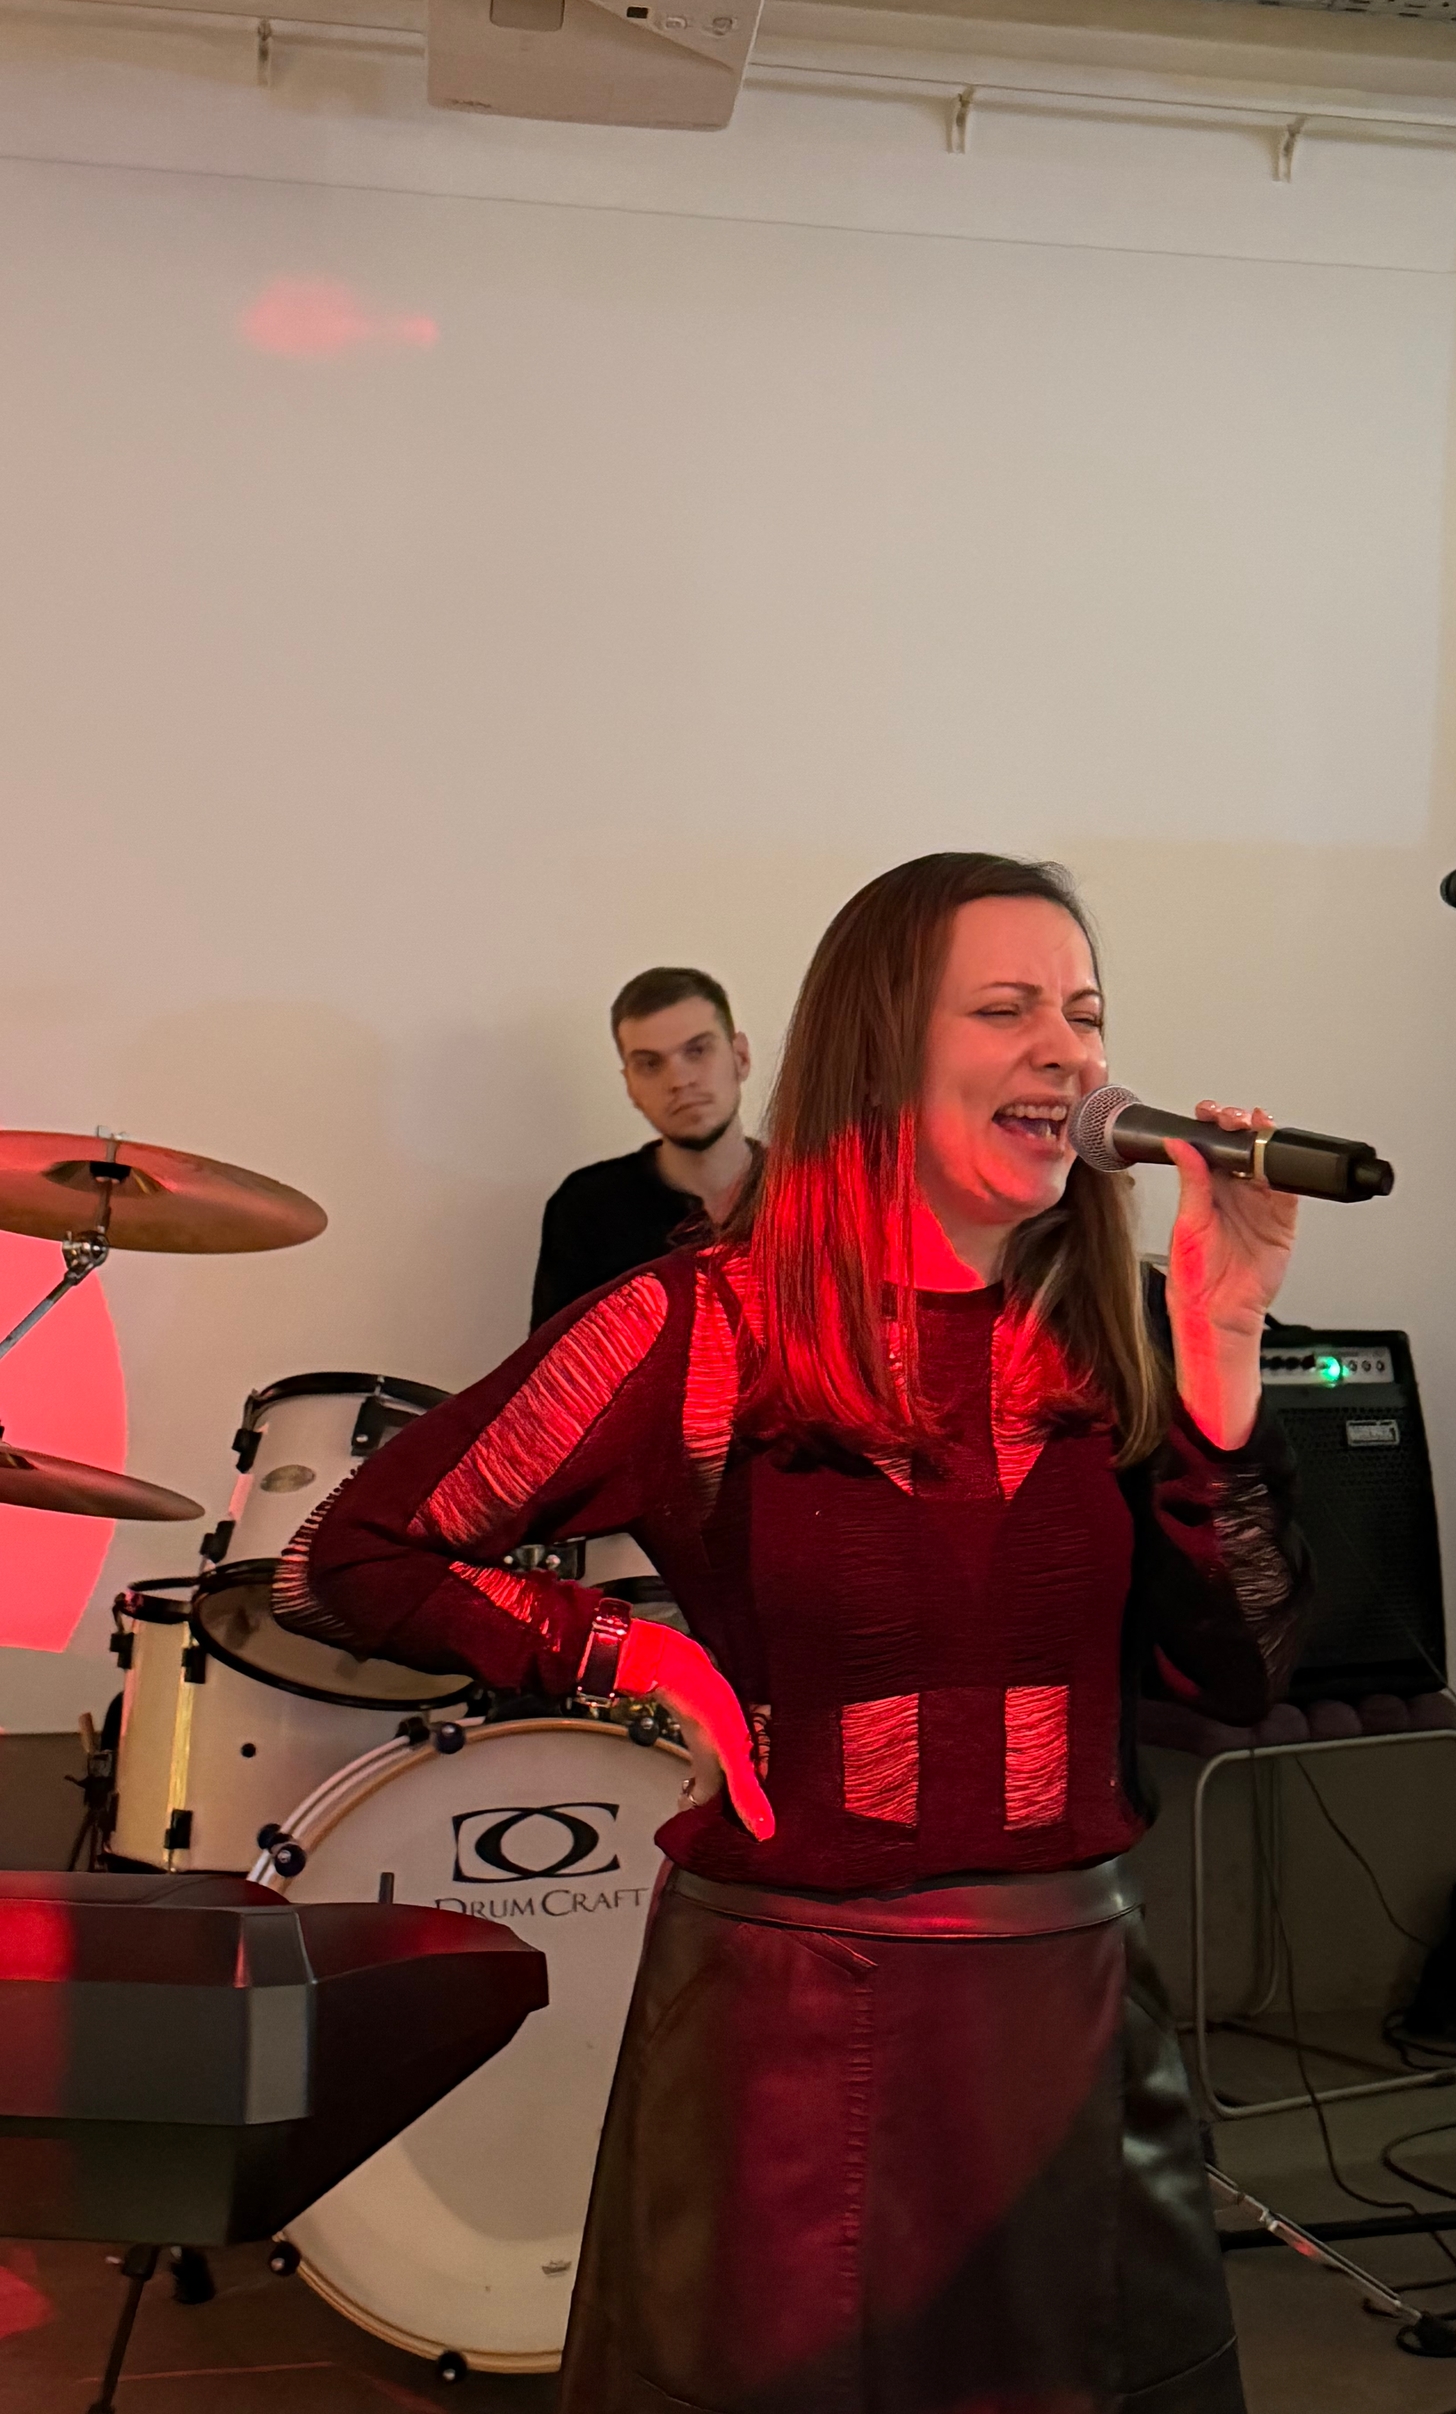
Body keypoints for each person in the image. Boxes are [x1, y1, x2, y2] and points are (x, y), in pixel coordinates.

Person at [282, 852, 1311, 2414]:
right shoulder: (693, 1322)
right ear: (879, 1050)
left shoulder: (1122, 1325)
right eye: (1008, 1009)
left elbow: (1241, 1673)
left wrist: (1225, 1344)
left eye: (1087, 1013)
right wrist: (626, 1653)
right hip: (795, 2030)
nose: (1069, 1051)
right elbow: (350, 1554)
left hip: (1076, 2016)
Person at [530, 964, 757, 1328]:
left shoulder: (813, 1193)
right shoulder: (587, 1209)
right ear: (631, 1086)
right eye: (650, 1064)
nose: (679, 1080)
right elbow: (556, 1362)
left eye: (697, 1051)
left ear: (740, 1057)